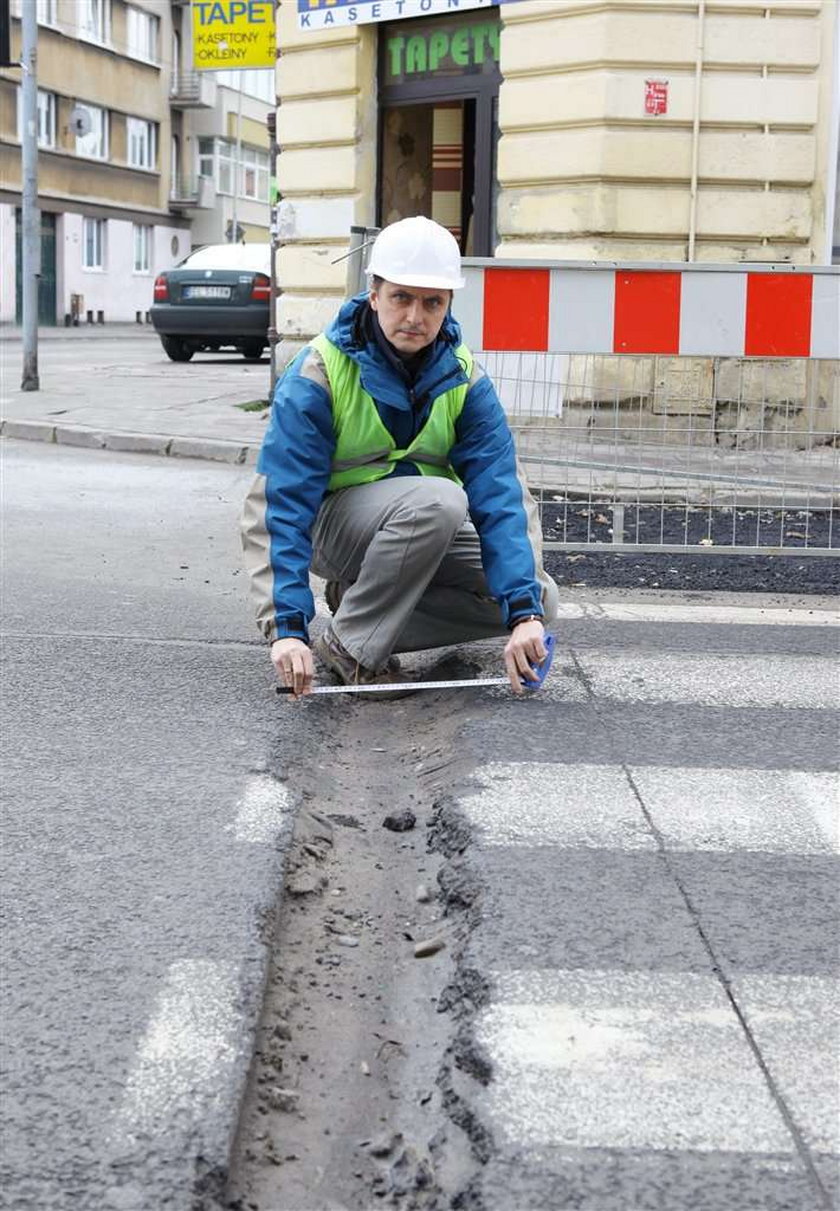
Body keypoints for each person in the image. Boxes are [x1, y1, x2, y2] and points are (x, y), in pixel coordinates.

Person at [241, 215, 559, 697]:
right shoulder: (319, 373)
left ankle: (356, 617)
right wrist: (286, 627)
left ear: (449, 303)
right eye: (401, 298)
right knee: (438, 500)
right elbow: (279, 506)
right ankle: (353, 646)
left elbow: (500, 494)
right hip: (336, 529)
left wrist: (526, 617)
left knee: (540, 597)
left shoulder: (465, 377)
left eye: (432, 302)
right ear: (374, 295)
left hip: (417, 526)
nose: (415, 316)